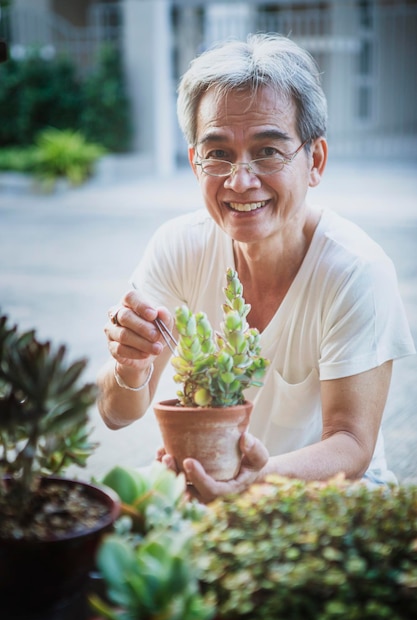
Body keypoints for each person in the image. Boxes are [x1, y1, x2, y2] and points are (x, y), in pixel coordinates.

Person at [97, 33, 415, 503]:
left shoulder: (356, 270)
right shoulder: (177, 246)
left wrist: (248, 481)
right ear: (194, 163)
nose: (240, 181)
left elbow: (352, 444)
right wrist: (129, 367)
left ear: (316, 161)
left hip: (327, 496)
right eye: (218, 153)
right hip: (208, 484)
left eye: (268, 151)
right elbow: (118, 414)